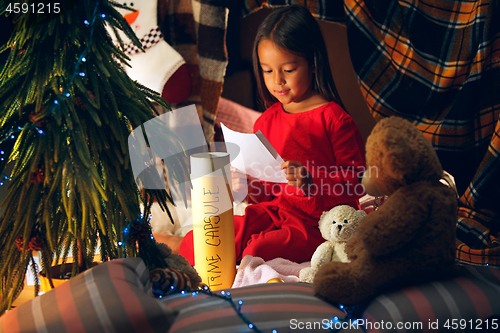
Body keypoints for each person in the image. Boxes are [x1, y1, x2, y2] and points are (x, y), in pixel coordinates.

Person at [162, 4, 366, 265]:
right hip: (275, 212)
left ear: (313, 64)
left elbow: (356, 182)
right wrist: (246, 185)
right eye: (268, 70)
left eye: (288, 70)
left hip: (318, 223)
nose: (277, 80)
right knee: (210, 235)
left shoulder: (335, 119)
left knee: (258, 249)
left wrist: (310, 181)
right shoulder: (268, 120)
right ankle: (175, 245)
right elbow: (267, 190)